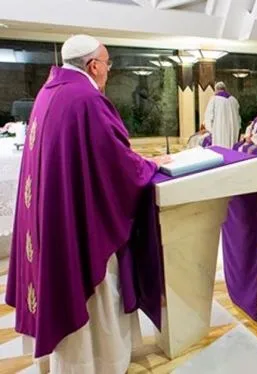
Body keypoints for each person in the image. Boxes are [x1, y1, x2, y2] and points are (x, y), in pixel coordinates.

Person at [6, 34, 170, 373]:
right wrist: (150, 165)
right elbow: (115, 164)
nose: (108, 71)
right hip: (82, 220)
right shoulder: (87, 99)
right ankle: (96, 362)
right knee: (98, 288)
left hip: (52, 216)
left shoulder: (49, 92)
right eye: (107, 64)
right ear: (93, 66)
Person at [203, 81, 241, 148]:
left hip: (219, 129)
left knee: (220, 147)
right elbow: (238, 117)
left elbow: (208, 116)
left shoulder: (214, 99)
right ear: (225, 89)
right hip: (232, 129)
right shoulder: (234, 100)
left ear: (216, 89)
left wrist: (210, 129)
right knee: (231, 147)